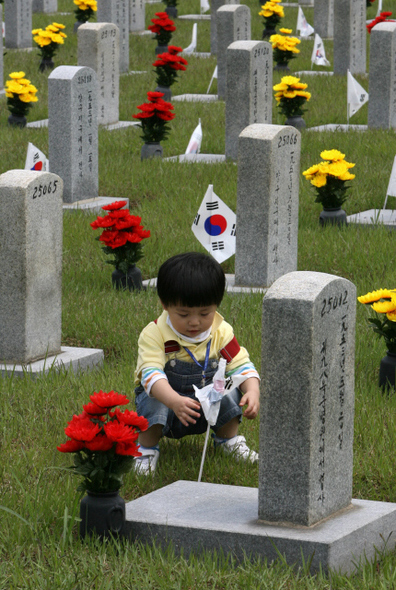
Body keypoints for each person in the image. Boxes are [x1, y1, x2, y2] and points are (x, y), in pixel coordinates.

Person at [133, 252, 260, 475]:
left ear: (217, 305)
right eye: (183, 314)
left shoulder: (221, 332)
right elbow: (151, 374)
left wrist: (252, 390)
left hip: (206, 402)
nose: (194, 322)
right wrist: (174, 401)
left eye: (204, 313)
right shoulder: (154, 334)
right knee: (152, 402)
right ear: (164, 304)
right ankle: (146, 449)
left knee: (231, 392)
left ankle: (227, 440)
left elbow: (240, 364)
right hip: (169, 401)